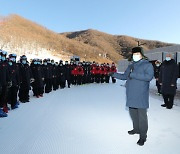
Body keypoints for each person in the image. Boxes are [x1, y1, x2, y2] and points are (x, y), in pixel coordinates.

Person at [110, 47, 154, 146]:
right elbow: (125, 76)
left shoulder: (147, 65)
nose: (135, 55)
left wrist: (133, 74)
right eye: (134, 54)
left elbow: (149, 77)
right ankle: (136, 129)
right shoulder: (131, 65)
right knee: (133, 114)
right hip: (131, 94)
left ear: (142, 54)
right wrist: (114, 74)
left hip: (141, 95)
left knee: (142, 117)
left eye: (137, 53)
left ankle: (143, 136)